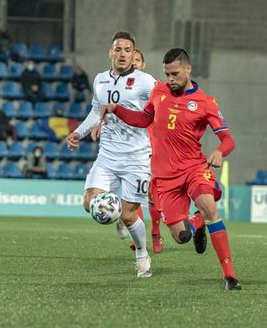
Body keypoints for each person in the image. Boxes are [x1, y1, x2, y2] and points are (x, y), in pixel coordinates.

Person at [95, 48, 241, 290]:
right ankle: (197, 223)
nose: (170, 79)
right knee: (181, 237)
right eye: (167, 74)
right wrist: (116, 109)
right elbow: (143, 120)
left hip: (193, 168)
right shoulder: (159, 92)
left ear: (187, 69)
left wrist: (219, 152)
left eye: (174, 74)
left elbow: (228, 140)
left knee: (209, 207)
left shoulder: (206, 103)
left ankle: (230, 276)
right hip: (165, 177)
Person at [66, 31, 157, 278]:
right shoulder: (100, 80)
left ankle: (141, 254)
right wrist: (78, 133)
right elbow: (95, 112)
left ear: (133, 53)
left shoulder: (146, 81)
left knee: (129, 215)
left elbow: (162, 107)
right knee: (88, 203)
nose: (122, 54)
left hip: (136, 158)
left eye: (127, 50)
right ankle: (115, 211)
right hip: (107, 156)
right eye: (118, 49)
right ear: (111, 53)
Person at [129, 48, 163, 253]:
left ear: (143, 65)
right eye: (131, 60)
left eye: (138, 60)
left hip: (152, 142)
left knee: (151, 192)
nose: (134, 63)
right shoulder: (118, 85)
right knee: (134, 192)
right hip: (129, 145)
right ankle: (137, 234)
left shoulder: (153, 85)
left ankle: (155, 232)